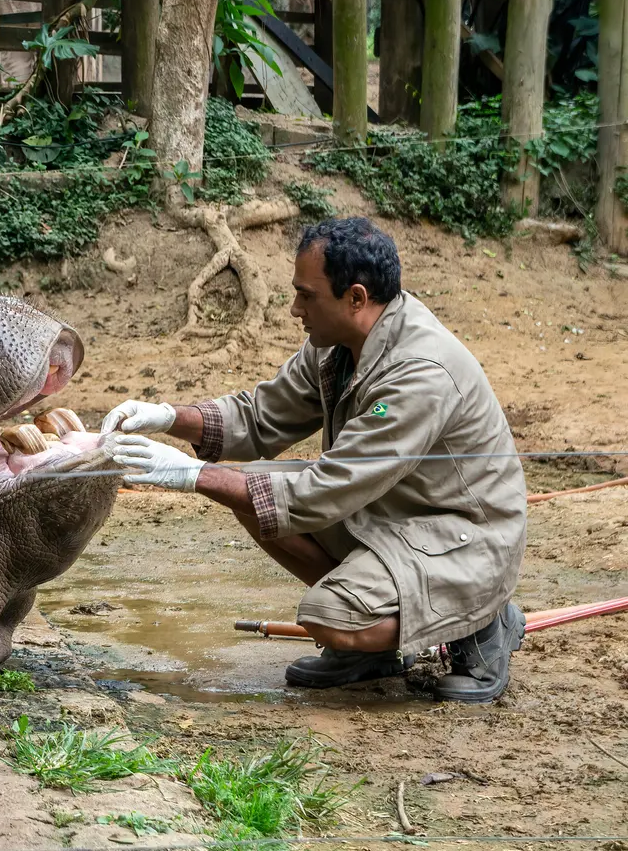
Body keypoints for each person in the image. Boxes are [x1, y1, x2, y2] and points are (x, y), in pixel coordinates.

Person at [102, 217, 528, 703]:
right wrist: (164, 416)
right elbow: (262, 415)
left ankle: (482, 622)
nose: (294, 308)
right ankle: (373, 655)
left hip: (465, 536)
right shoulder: (339, 344)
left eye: (307, 296)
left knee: (329, 617)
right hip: (397, 515)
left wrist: (192, 475)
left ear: (356, 298)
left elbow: (325, 491)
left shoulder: (420, 374)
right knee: (252, 491)